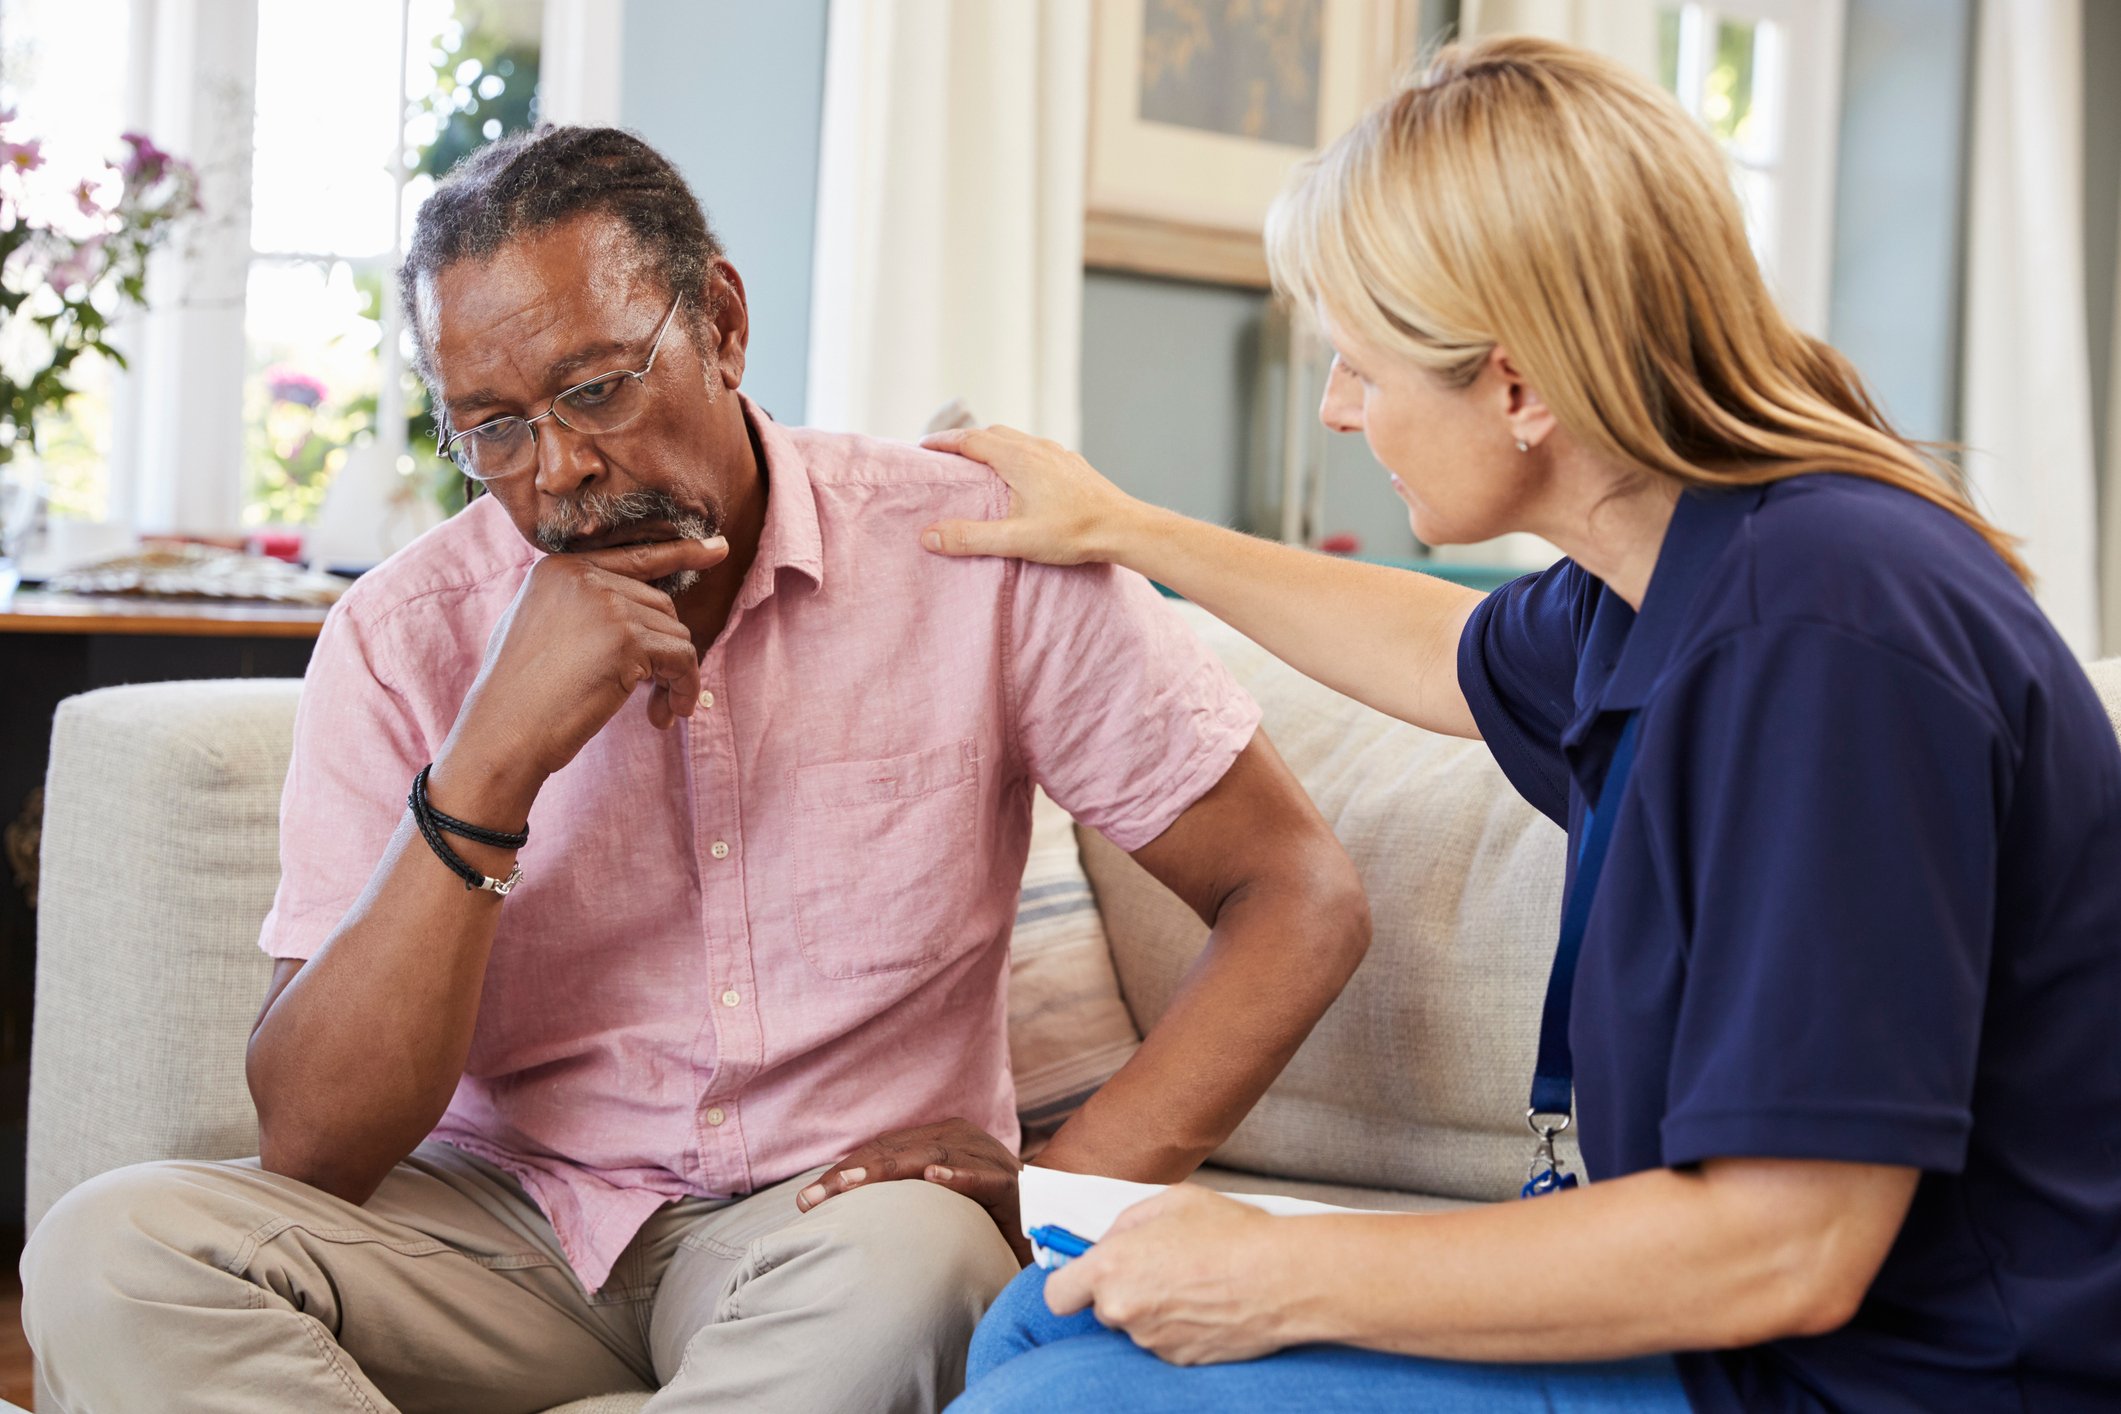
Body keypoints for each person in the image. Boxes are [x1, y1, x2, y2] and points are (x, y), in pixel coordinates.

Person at [18, 127, 1373, 1414]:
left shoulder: (970, 553)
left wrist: (1065, 1184)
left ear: (720, 322)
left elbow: (1295, 894)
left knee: (922, 1274)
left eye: (594, 389)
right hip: (495, 1228)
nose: (558, 472)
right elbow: (314, 1147)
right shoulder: (399, 634)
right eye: (491, 428)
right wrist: (491, 761)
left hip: (832, 1224)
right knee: (108, 1251)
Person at [930, 36, 2121, 1414]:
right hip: (1745, 1341)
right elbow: (1444, 651)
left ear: (1517, 386)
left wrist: (1275, 1270)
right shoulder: (1667, 566)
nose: (1338, 411)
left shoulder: (1823, 638)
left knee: (1061, 1399)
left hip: (1892, 1378)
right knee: (1036, 1321)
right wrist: (1122, 526)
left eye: (1359, 365)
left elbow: (1788, 1244)